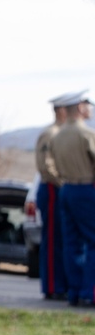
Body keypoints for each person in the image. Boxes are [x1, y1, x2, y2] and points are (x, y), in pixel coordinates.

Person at [50, 94, 95, 308]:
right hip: (86, 188)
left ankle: (74, 292)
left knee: (71, 243)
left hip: (66, 188)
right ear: (79, 107)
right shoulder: (86, 133)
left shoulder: (57, 136)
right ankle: (90, 292)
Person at [33, 96, 69, 299]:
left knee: (61, 240)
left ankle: (59, 284)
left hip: (58, 188)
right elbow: (46, 165)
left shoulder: (61, 133)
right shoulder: (50, 134)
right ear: (61, 111)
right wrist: (62, 182)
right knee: (53, 240)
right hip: (52, 188)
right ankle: (53, 286)